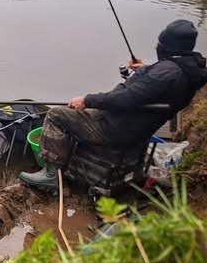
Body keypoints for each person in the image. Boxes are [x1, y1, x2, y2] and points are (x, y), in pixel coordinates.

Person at [20, 19, 207, 190]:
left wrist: (87, 100)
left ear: (168, 46)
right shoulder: (191, 70)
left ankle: (51, 176)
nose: (158, 46)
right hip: (137, 127)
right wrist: (145, 71)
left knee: (57, 115)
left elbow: (125, 99)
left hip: (115, 127)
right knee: (80, 110)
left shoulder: (165, 74)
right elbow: (162, 83)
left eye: (160, 43)